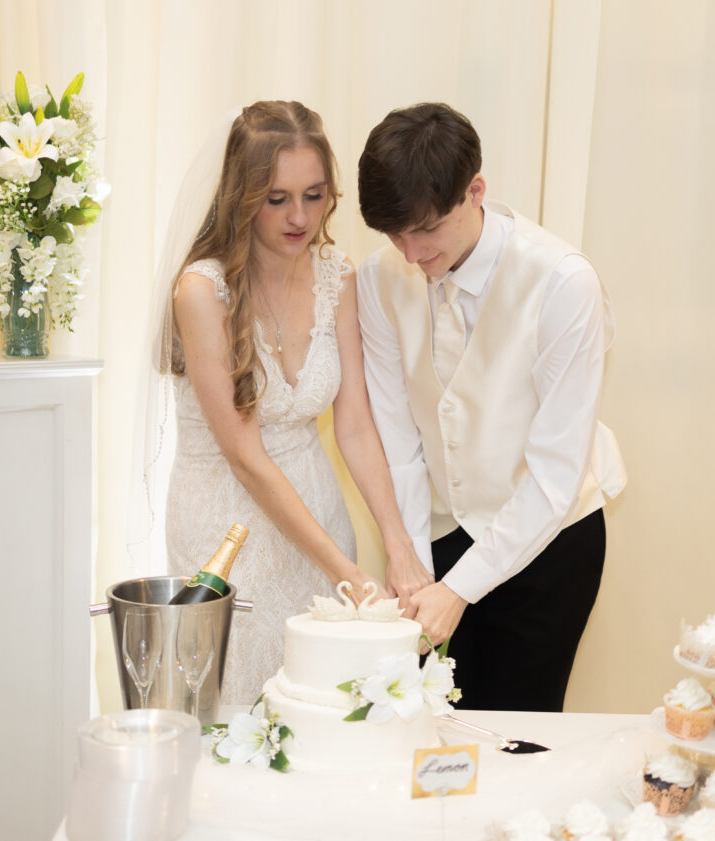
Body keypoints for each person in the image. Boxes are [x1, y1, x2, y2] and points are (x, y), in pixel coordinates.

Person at [356, 103, 627, 712]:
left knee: (517, 737)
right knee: (425, 729)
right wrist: (416, 569)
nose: (410, 252)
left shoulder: (563, 283)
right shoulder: (379, 280)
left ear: (475, 191)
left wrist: (460, 589)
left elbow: (556, 473)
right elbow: (398, 436)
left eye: (424, 229)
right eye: (393, 235)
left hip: (550, 542)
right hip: (440, 530)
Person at [159, 101, 429, 704]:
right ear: (241, 195)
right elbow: (245, 455)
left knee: (324, 700)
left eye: (315, 194)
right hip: (224, 520)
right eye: (277, 198)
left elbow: (354, 425)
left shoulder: (338, 275)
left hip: (315, 503)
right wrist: (349, 573)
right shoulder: (202, 291)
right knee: (235, 701)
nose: (300, 217)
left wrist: (398, 542)